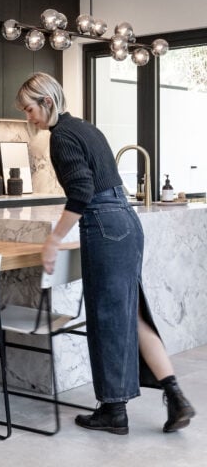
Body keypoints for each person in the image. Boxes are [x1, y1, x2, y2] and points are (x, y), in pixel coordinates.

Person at [15, 72, 195, 435]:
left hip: (103, 224)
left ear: (47, 102)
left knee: (108, 318)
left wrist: (53, 240)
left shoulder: (61, 136)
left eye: (30, 109)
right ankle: (175, 397)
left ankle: (114, 412)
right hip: (126, 221)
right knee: (131, 313)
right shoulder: (85, 128)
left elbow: (81, 191)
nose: (28, 117)